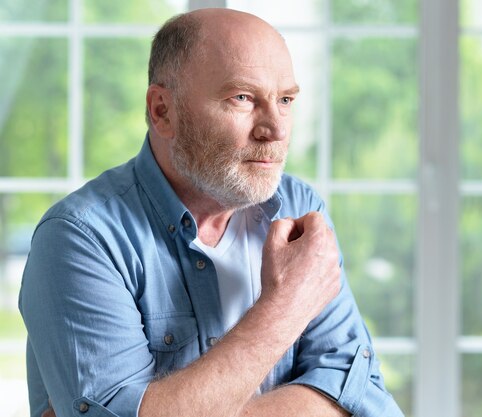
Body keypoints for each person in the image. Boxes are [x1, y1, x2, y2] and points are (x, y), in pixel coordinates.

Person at [19, 7, 404, 417]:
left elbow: (361, 393)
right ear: (162, 111)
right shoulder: (80, 239)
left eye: (286, 99)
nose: (275, 129)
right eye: (242, 98)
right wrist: (287, 305)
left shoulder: (299, 208)